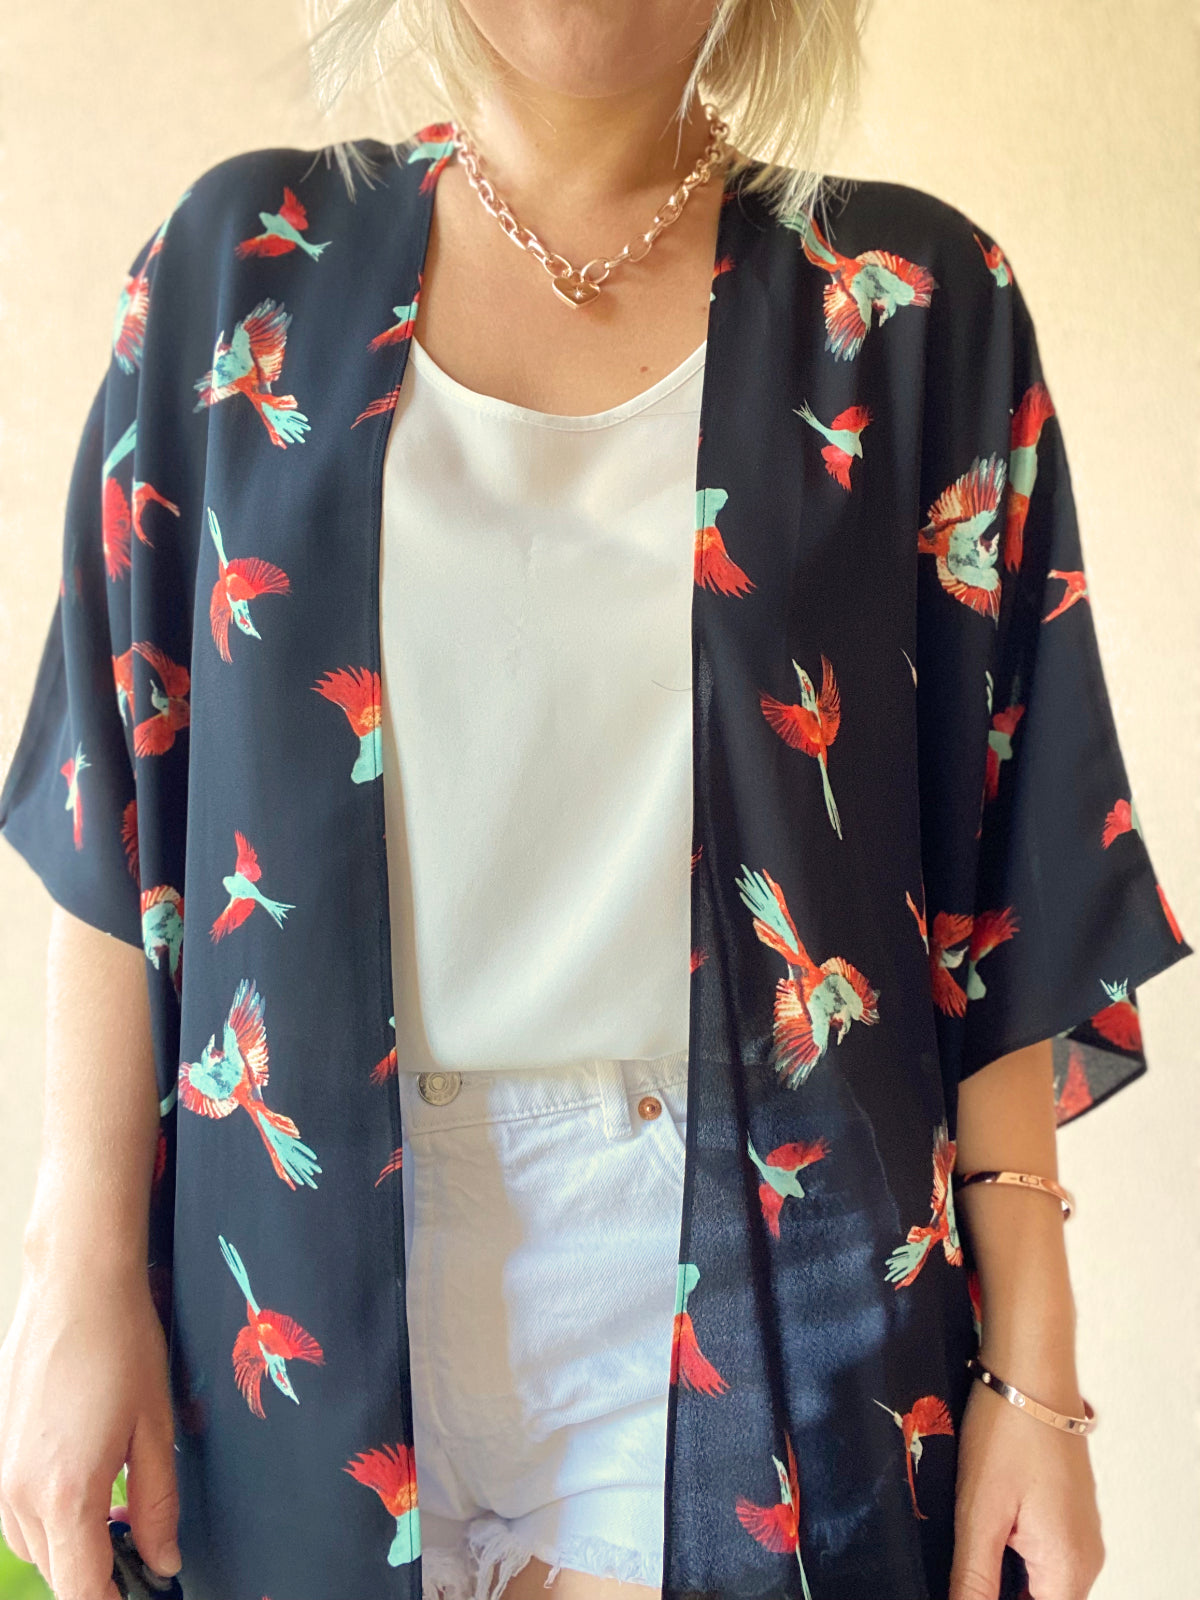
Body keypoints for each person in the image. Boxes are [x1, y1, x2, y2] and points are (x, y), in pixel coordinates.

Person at [0, 4, 1191, 1600]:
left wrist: (1034, 1378)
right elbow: (119, 800)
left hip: (765, 1277)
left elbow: (1003, 884)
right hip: (304, 1268)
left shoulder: (911, 306)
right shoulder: (243, 267)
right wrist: (76, 1273)